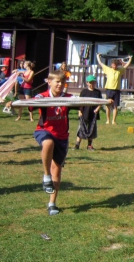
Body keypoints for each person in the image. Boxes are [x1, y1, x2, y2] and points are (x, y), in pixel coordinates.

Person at [33, 71, 73, 216]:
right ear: (49, 82)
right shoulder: (42, 96)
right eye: (57, 81)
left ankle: (52, 203)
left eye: (62, 82)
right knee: (48, 143)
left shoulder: (68, 97)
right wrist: (13, 103)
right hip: (44, 131)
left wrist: (106, 102)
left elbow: (85, 102)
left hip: (62, 136)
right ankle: (46, 176)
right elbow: (30, 103)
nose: (60, 85)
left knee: (56, 169)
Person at [96, 54, 133, 125]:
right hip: (109, 90)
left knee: (115, 106)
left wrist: (130, 59)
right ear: (111, 65)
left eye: (115, 65)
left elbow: (126, 66)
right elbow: (100, 63)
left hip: (116, 90)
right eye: (113, 65)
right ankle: (108, 120)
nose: (114, 66)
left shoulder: (119, 70)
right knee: (108, 105)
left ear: (117, 65)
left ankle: (113, 121)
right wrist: (98, 56)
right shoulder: (108, 69)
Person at [75, 75, 103, 150]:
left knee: (92, 129)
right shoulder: (84, 92)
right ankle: (77, 144)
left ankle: (89, 145)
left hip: (93, 113)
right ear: (87, 83)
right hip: (84, 112)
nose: (92, 84)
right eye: (90, 83)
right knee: (81, 128)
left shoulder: (97, 92)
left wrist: (97, 109)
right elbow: (80, 102)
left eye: (93, 82)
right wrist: (80, 111)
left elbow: (100, 102)